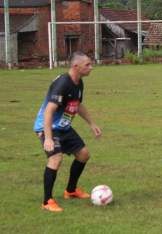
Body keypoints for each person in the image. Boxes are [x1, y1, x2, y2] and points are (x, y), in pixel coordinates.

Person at [33, 52, 102, 212]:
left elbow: (77, 105)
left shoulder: (78, 83)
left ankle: (70, 191)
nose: (91, 67)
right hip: (48, 127)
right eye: (87, 65)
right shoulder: (63, 83)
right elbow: (49, 111)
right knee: (56, 158)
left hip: (63, 127)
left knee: (84, 154)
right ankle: (47, 201)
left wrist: (92, 123)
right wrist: (48, 138)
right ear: (76, 66)